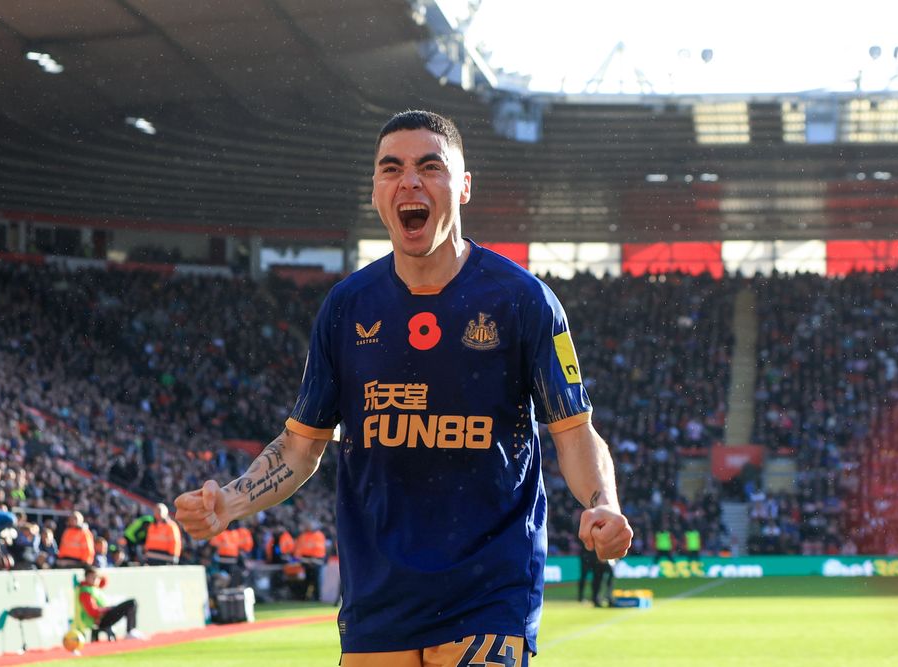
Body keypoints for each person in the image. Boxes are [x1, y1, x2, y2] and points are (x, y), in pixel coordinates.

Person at [176, 110, 632, 665]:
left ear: (463, 186)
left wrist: (603, 502)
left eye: (430, 166)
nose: (409, 181)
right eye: (391, 168)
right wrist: (229, 501)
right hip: (378, 596)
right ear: (375, 191)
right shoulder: (347, 308)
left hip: (488, 589)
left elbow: (573, 430)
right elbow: (301, 447)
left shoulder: (524, 300)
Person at [74, 566, 145, 642]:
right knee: (131, 603)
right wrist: (108, 609)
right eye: (92, 577)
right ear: (86, 578)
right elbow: (93, 611)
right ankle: (130, 631)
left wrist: (99, 574)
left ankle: (131, 630)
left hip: (102, 616)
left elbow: (104, 581)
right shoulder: (85, 591)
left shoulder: (93, 587)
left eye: (96, 577)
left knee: (132, 603)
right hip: (98, 620)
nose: (95, 579)